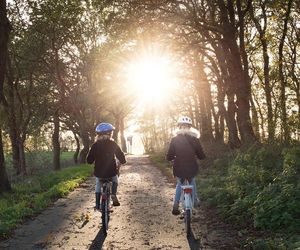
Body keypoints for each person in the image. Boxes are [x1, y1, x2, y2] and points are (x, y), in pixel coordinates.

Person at [166, 116, 206, 215]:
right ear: (190, 127)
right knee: (192, 180)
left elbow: (170, 155)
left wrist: (169, 158)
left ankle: (175, 206)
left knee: (180, 184)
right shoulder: (195, 139)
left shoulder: (174, 139)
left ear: (179, 127)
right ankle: (195, 202)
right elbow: (201, 155)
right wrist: (201, 157)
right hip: (192, 166)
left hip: (178, 167)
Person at [87, 122, 126, 210]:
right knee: (115, 179)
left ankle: (97, 203)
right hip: (111, 172)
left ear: (98, 135)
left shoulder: (95, 145)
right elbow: (120, 154)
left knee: (98, 183)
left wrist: (91, 160)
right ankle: (113, 194)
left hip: (99, 173)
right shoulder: (113, 144)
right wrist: (123, 161)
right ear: (110, 134)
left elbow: (89, 160)